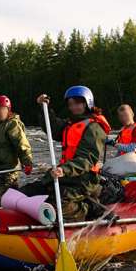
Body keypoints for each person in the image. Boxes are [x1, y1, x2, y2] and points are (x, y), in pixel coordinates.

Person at [20, 85, 111, 221]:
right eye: (71, 104)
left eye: (78, 103)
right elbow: (52, 128)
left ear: (87, 103)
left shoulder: (94, 128)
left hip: (85, 180)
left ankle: (89, 208)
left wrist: (64, 169)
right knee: (25, 192)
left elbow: (87, 159)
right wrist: (44, 108)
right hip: (66, 176)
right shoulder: (70, 124)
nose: (74, 107)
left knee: (55, 207)